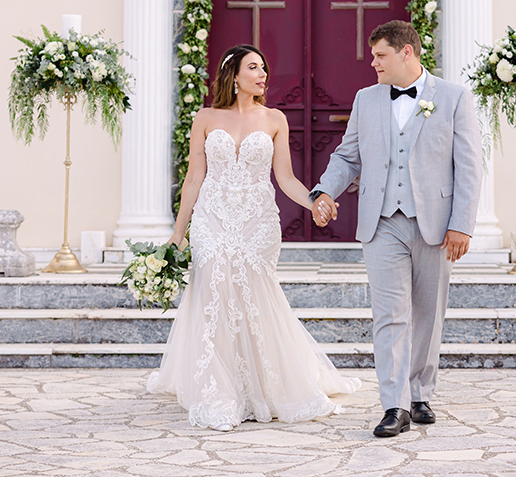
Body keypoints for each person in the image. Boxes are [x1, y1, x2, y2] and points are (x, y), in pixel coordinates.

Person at [147, 44, 360, 430]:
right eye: (253, 67)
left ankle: (264, 384)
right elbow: (194, 177)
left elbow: (286, 179)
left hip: (257, 221)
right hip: (212, 217)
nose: (262, 74)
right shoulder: (206, 117)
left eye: (263, 67)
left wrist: (315, 202)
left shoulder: (275, 118)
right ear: (233, 75)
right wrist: (178, 233)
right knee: (213, 291)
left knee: (254, 294)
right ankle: (218, 391)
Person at [311, 20, 482, 438]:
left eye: (380, 55)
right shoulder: (366, 100)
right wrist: (323, 192)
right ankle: (394, 404)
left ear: (407, 53)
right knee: (390, 315)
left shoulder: (455, 98)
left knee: (428, 312)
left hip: (437, 225)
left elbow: (470, 167)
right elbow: (348, 156)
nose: (373, 64)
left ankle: (420, 391)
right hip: (381, 222)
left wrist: (462, 225)